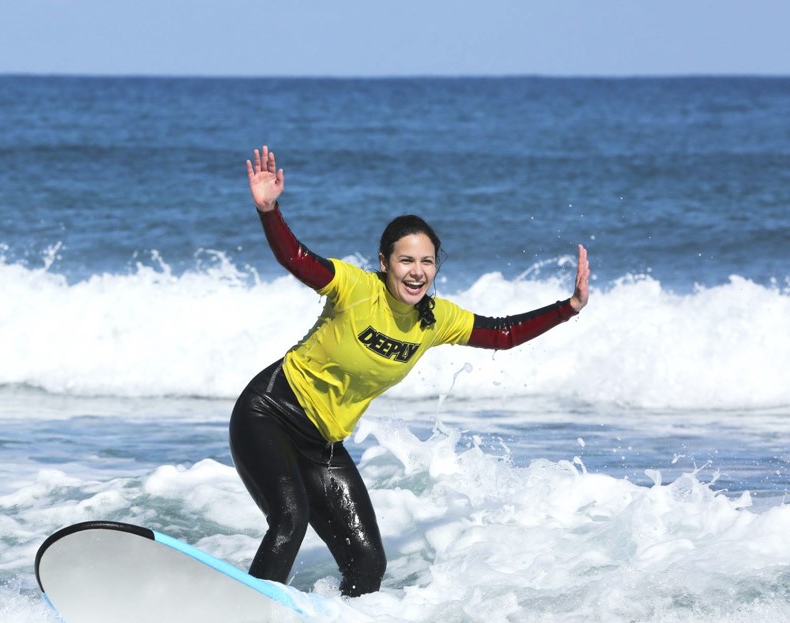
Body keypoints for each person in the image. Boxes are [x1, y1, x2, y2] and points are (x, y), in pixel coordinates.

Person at [229, 146, 590, 597]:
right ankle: (245, 614)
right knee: (290, 519)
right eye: (406, 260)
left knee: (367, 564)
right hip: (269, 413)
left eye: (427, 262)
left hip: (322, 443)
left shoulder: (437, 319)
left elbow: (503, 334)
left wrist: (568, 308)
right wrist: (269, 210)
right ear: (384, 263)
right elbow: (296, 259)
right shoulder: (355, 287)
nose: (417, 272)